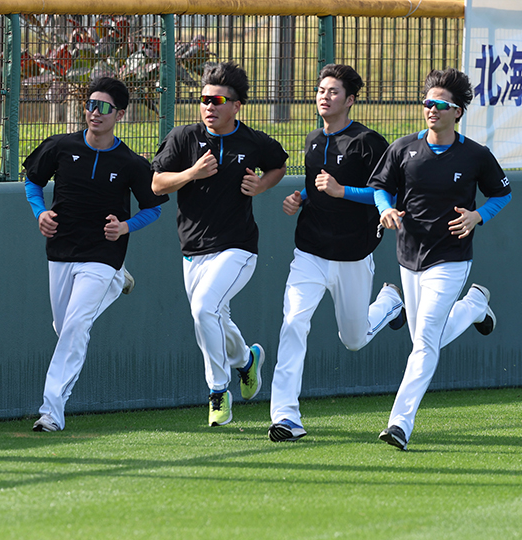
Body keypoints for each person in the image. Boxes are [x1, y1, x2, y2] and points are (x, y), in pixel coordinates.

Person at [368, 68, 512, 450]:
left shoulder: (475, 154)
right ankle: (474, 307)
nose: (431, 109)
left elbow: (502, 194)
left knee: (426, 340)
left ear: (457, 112)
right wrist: (385, 208)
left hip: (451, 258)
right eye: (427, 102)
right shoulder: (404, 148)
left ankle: (400, 424)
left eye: (441, 105)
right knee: (424, 340)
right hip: (408, 256)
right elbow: (381, 187)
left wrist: (478, 215)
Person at [268, 64, 406, 442]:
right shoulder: (313, 139)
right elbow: (318, 185)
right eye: (320, 90)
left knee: (354, 339)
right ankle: (286, 416)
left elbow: (387, 194)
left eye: (333, 91)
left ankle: (390, 303)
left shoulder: (368, 142)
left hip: (353, 255)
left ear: (350, 100)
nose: (324, 97)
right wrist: (300, 198)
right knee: (293, 323)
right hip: (310, 252)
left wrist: (341, 191)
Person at [24, 76, 169, 432]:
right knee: (64, 327)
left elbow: (153, 208)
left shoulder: (131, 162)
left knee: (75, 327)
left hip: (104, 252)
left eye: (104, 107)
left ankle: (51, 411)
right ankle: (118, 281)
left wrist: (125, 227)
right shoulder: (60, 146)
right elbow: (32, 181)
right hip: (61, 250)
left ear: (120, 114)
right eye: (91, 104)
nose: (95, 112)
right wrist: (40, 213)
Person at [151, 61, 288, 427]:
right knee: (215, 316)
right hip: (193, 251)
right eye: (204, 99)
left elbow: (278, 165)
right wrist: (192, 173)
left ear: (236, 106)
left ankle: (217, 391)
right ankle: (246, 360)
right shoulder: (183, 137)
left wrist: (261, 185)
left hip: (238, 248)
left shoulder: (253, 141)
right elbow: (157, 184)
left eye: (218, 100)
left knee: (203, 310)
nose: (209, 106)